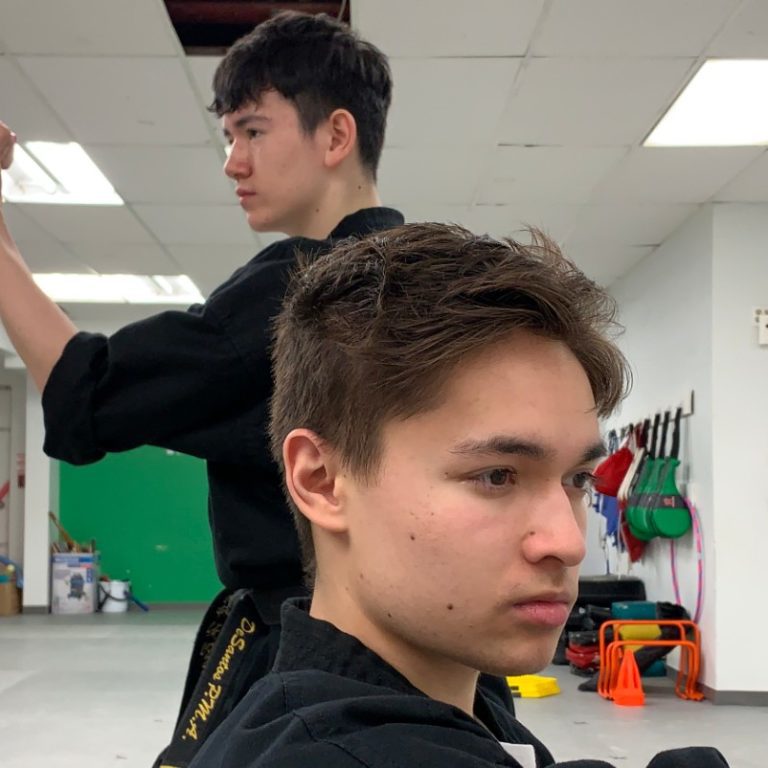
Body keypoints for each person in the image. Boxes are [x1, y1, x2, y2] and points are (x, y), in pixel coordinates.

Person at [0, 10, 408, 761]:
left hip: (302, 652)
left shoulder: (297, 292)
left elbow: (86, 394)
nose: (232, 161)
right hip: (409, 657)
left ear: (335, 136)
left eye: (253, 131)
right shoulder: (412, 279)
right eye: (229, 137)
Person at [189, 223, 730, 768]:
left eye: (577, 480)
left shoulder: (432, 698)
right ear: (322, 481)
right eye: (497, 476)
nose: (567, 543)